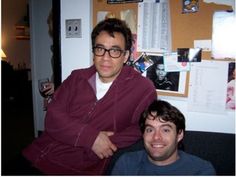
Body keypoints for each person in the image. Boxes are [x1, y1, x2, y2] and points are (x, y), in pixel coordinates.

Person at [19, 18, 157, 175]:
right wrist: (90, 137)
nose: (105, 57)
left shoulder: (142, 89)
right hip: (36, 154)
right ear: (93, 52)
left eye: (115, 50)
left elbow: (141, 127)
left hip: (77, 167)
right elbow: (52, 117)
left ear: (125, 56)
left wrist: (105, 144)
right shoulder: (77, 77)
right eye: (100, 49)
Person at [111, 99, 216, 175]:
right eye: (150, 130)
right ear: (143, 134)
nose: (156, 137)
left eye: (165, 130)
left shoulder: (201, 171)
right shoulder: (126, 164)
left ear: (179, 135)